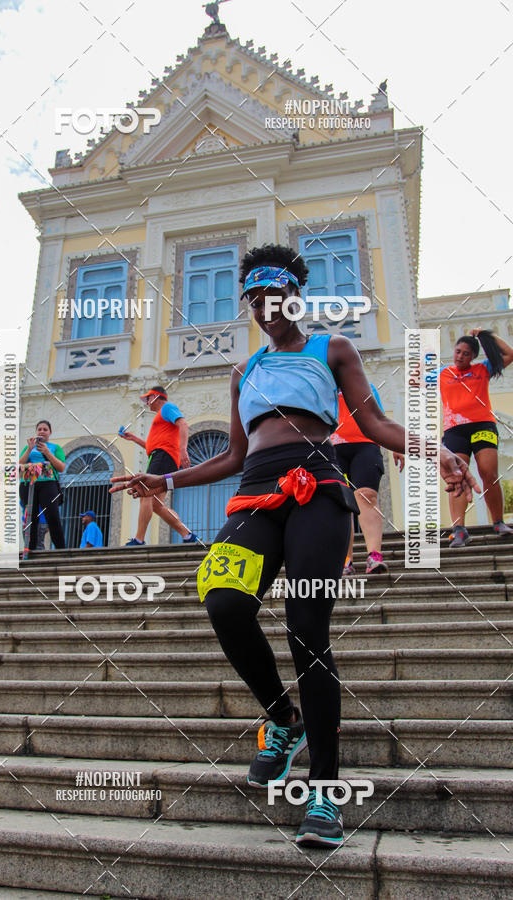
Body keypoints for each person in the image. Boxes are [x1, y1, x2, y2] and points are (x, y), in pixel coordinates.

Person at [110, 244, 478, 847]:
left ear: (295, 295)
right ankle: (284, 719)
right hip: (254, 491)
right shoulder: (243, 372)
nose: (262, 307)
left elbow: (378, 425)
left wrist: (436, 449)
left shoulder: (331, 349)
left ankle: (326, 795)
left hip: (319, 489)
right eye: (252, 298)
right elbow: (231, 455)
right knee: (224, 599)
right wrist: (165, 478)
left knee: (308, 632)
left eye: (272, 295)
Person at [440, 329, 513, 547]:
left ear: (473, 356)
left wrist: (484, 334)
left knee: (488, 472)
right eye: (458, 351)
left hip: (482, 425)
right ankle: (459, 529)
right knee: (457, 477)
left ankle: (498, 521)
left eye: (466, 353)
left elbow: (509, 354)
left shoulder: (482, 369)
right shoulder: (443, 373)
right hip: (454, 430)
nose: (460, 356)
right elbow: (415, 380)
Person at [331, 385, 404, 575]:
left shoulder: (366, 386)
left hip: (365, 446)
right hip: (333, 448)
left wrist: (395, 443)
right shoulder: (324, 385)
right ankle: (346, 561)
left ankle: (374, 556)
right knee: (342, 503)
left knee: (367, 495)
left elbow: (380, 418)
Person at [119, 386, 198, 545]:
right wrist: (134, 438)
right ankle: (187, 535)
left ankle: (139, 539)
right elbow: (152, 446)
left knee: (145, 494)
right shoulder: (160, 419)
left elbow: (183, 424)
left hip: (164, 456)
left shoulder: (167, 408)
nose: (147, 403)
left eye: (148, 399)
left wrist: (183, 450)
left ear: (156, 396)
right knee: (156, 504)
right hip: (161, 456)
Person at [19, 420, 66, 551]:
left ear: (50, 432)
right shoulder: (28, 447)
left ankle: (61, 549)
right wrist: (29, 449)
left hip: (48, 483)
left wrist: (46, 452)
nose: (42, 431)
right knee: (30, 517)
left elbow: (61, 467)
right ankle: (30, 549)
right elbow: (19, 465)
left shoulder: (55, 448)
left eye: (45, 429)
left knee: (53, 515)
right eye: (39, 429)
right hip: (28, 484)